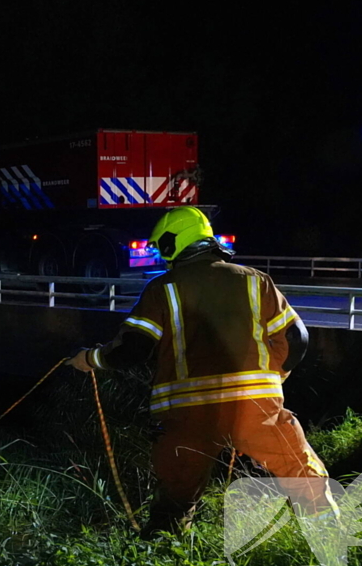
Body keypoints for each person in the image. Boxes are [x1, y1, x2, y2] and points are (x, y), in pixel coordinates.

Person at [67, 206, 337, 537]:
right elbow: (297, 338)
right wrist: (276, 375)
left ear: (173, 244)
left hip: (187, 415)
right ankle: (330, 539)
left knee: (175, 498)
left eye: (160, 245)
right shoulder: (256, 281)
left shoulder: (162, 289)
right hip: (255, 407)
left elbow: (132, 350)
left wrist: (89, 359)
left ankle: (166, 560)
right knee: (301, 473)